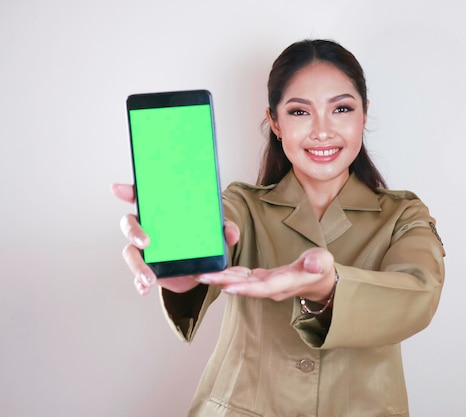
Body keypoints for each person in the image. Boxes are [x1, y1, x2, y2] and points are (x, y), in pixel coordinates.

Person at [112, 39, 445, 417]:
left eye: (341, 108)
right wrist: (177, 261)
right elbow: (216, 234)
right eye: (300, 112)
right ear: (275, 122)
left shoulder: (403, 215)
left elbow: (419, 293)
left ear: (364, 115)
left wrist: (328, 285)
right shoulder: (242, 205)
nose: (322, 131)